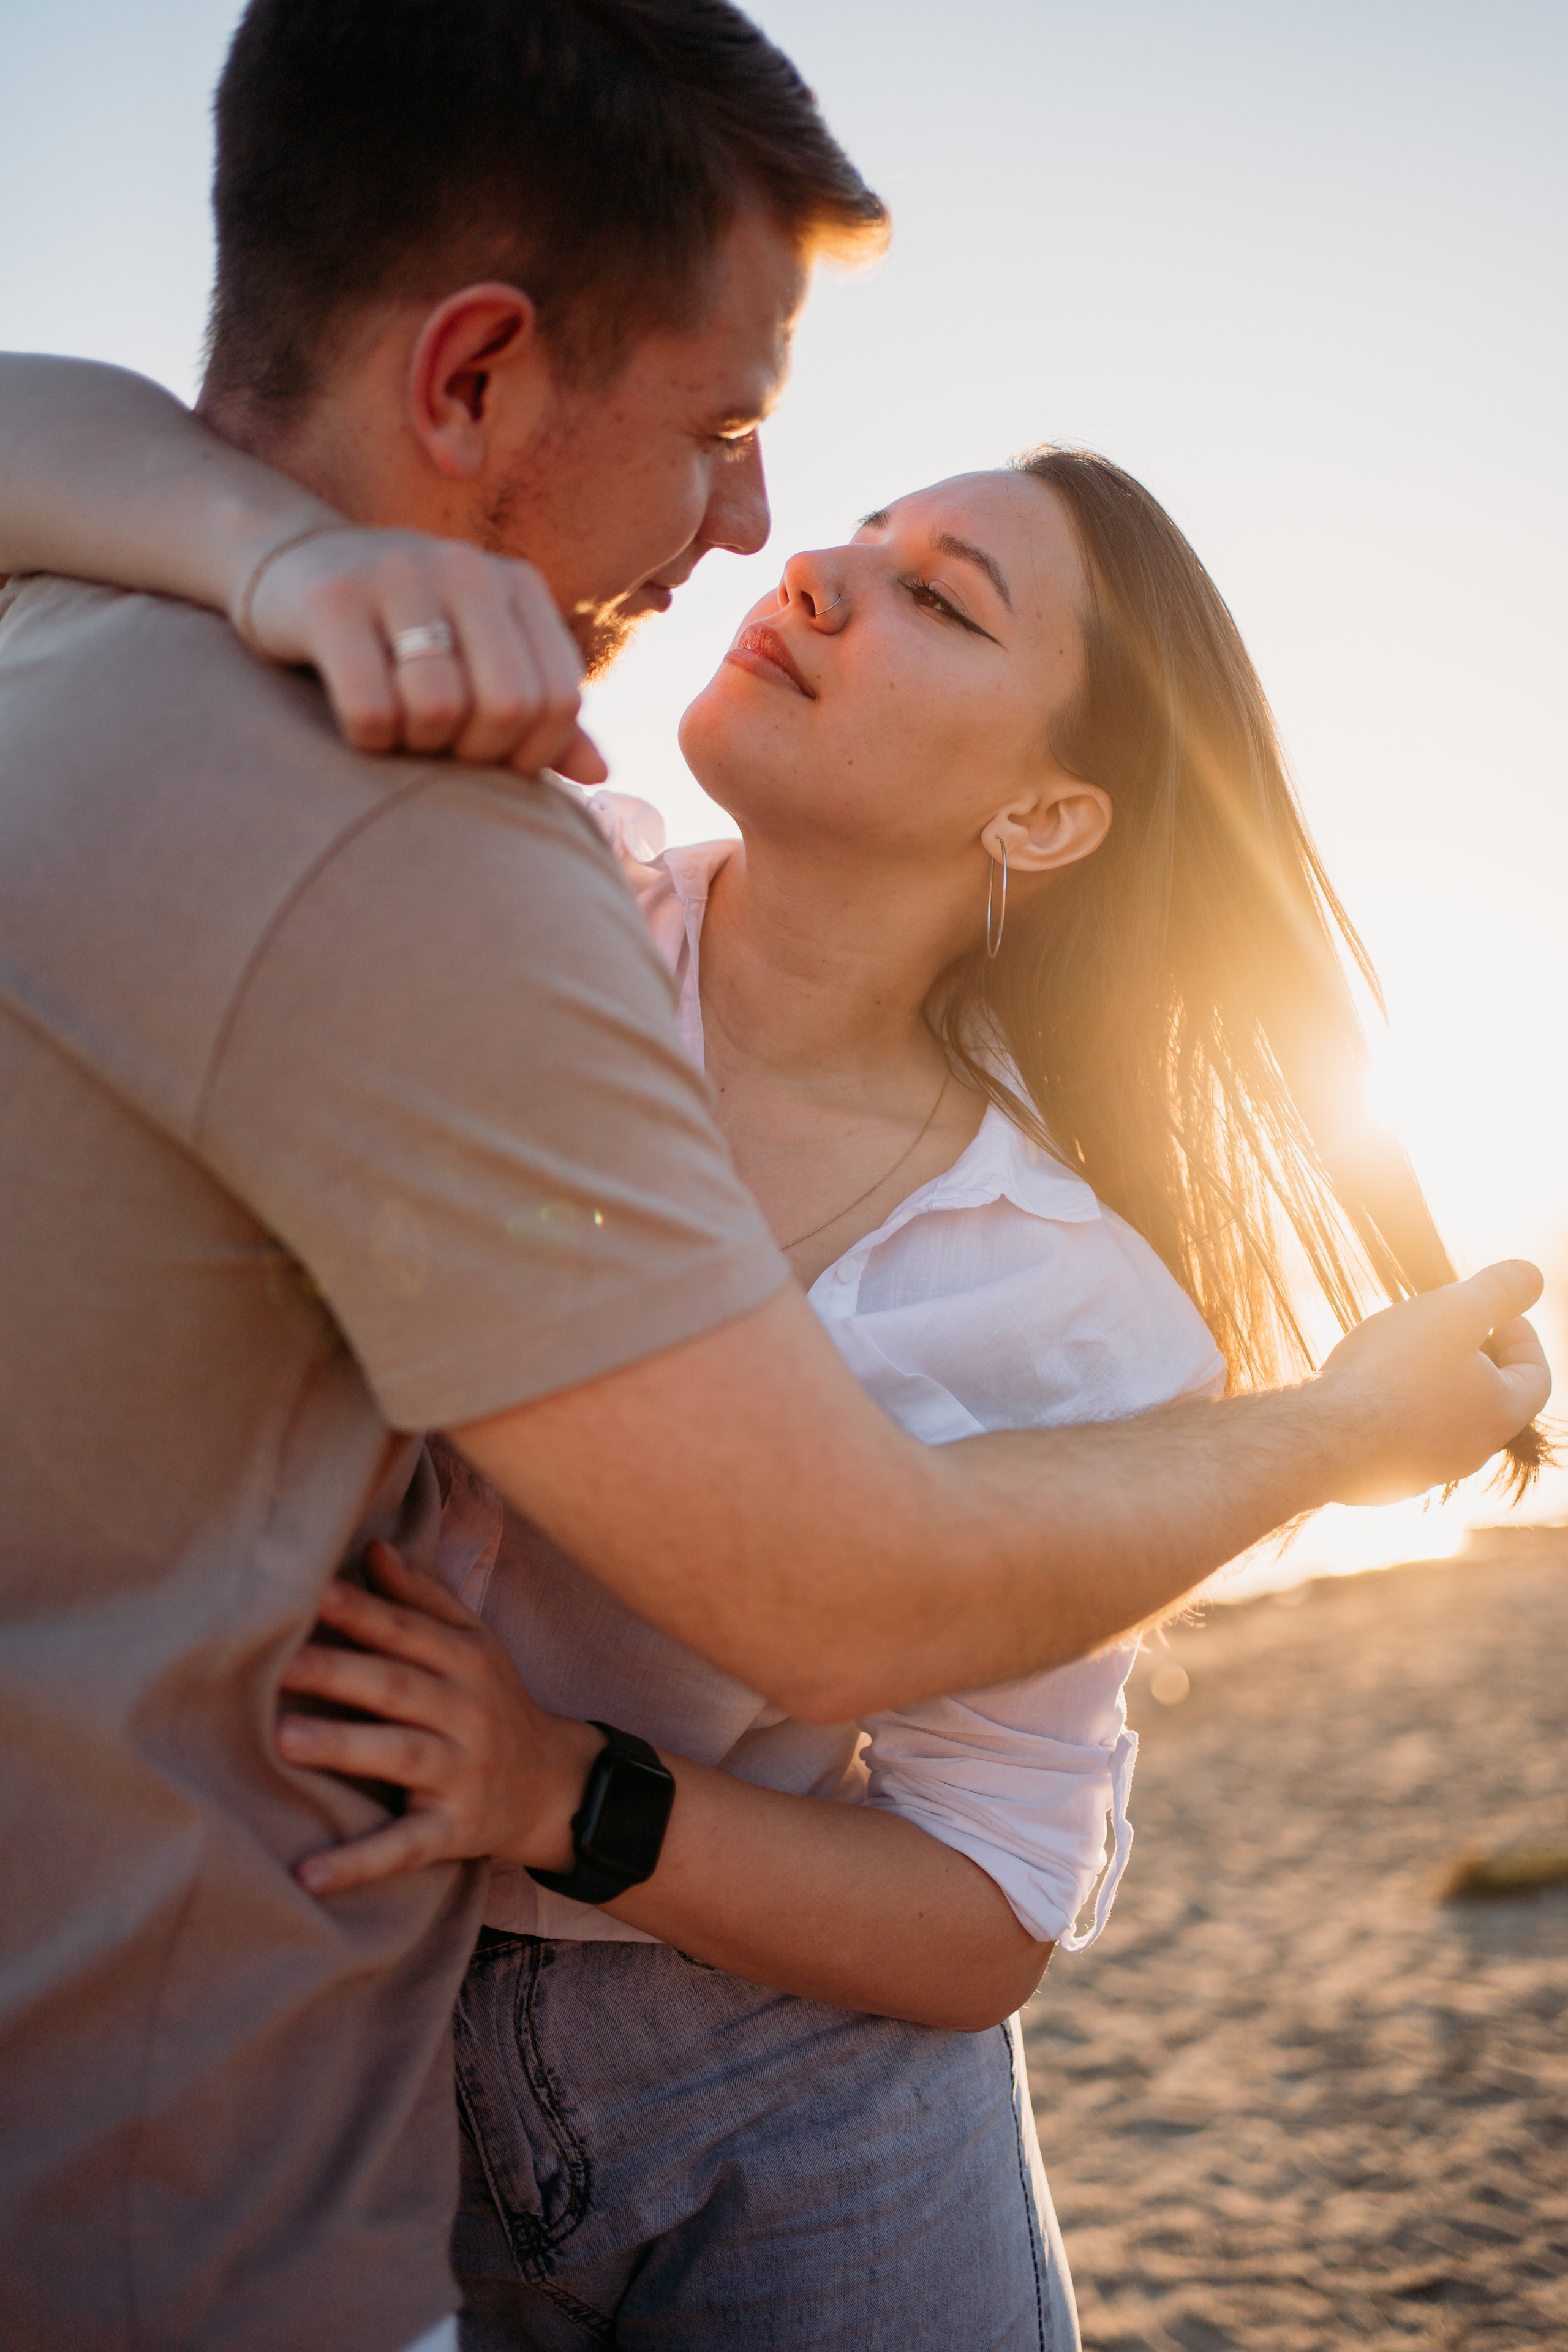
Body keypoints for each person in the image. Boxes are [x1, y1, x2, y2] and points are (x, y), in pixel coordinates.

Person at [0, 4, 1547, 2349]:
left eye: (943, 601)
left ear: (1050, 813)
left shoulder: (1071, 1295)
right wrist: (277, 552)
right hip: (376, 2057)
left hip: (794, 2085)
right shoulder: (532, 899)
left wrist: (566, 1791)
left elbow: (989, 1901)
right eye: (843, 516)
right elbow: (845, 1585)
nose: (796, 555)